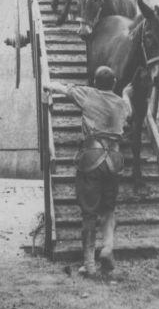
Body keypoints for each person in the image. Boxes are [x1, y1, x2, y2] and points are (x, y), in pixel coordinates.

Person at [43, 66, 131, 276]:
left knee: (89, 214)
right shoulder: (121, 103)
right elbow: (130, 109)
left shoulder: (87, 93)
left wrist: (47, 84)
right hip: (115, 159)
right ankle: (108, 248)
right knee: (109, 209)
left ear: (94, 80)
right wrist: (126, 93)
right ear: (114, 82)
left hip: (92, 156)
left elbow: (61, 88)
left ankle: (89, 264)